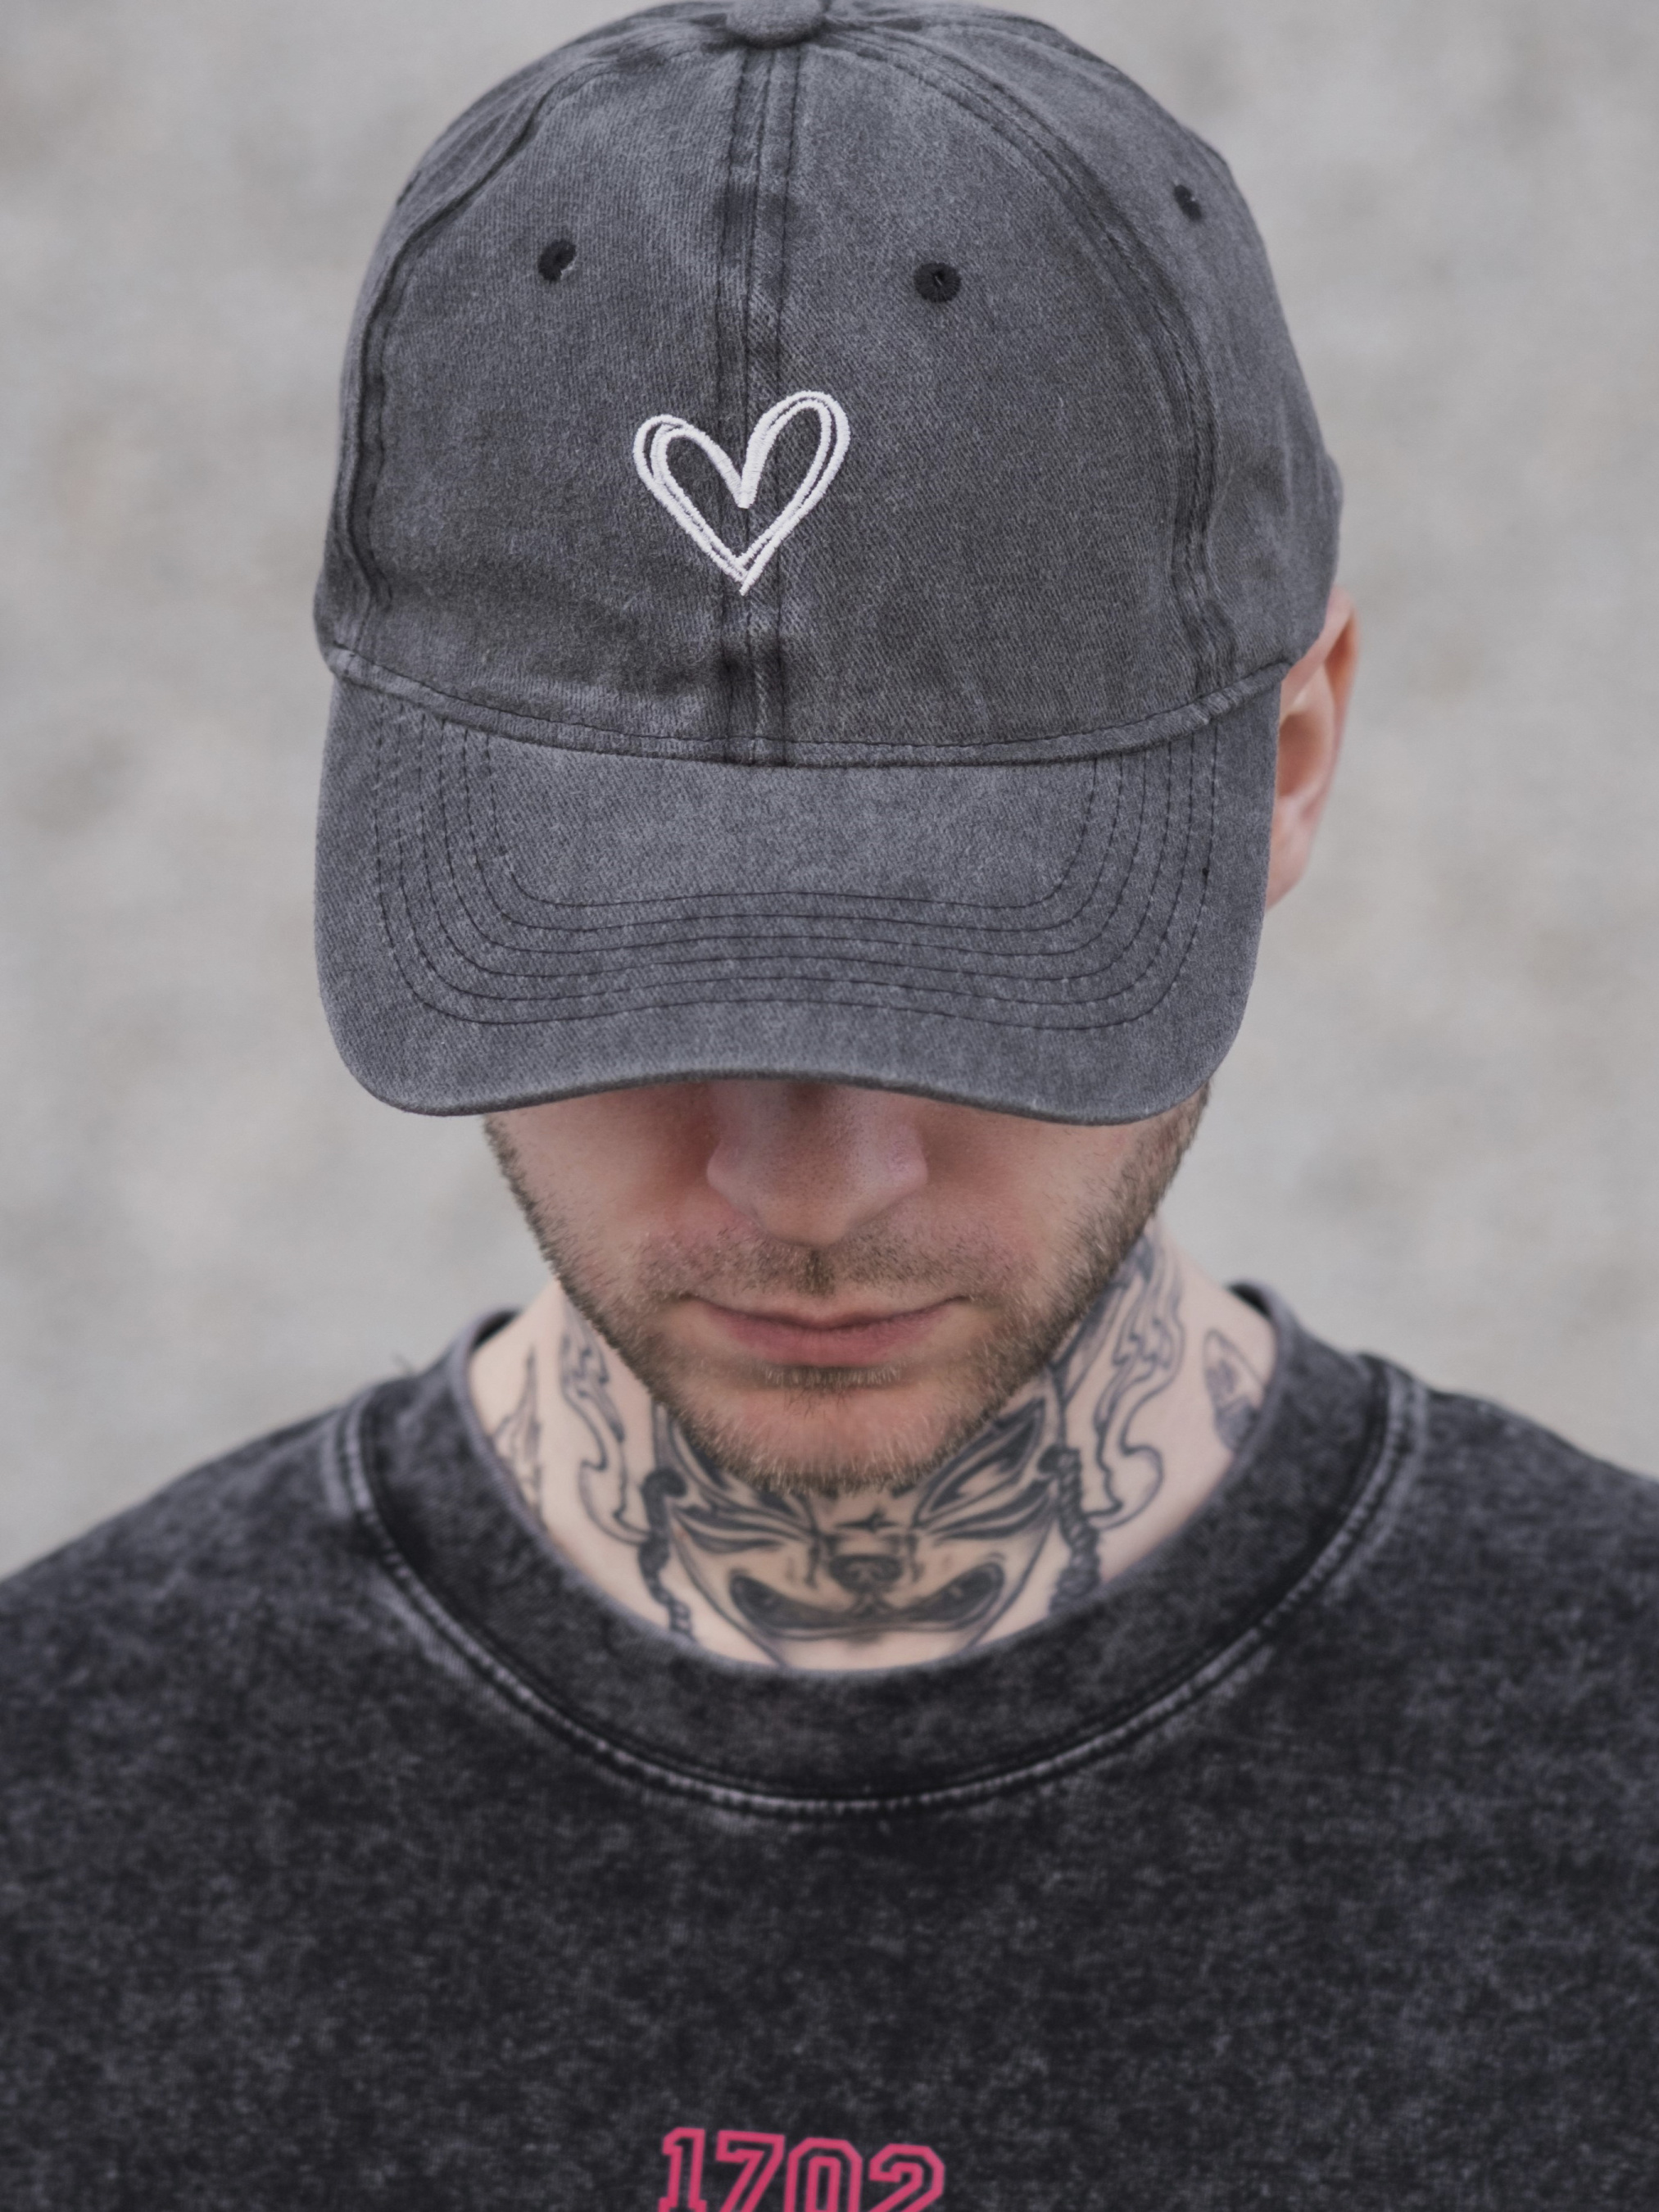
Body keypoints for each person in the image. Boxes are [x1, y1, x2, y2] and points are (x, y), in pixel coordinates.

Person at [2, 1, 1656, 2203]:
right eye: (635, 965)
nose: (810, 1183)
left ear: (1290, 759)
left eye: (965, 973)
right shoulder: (55, 1823)